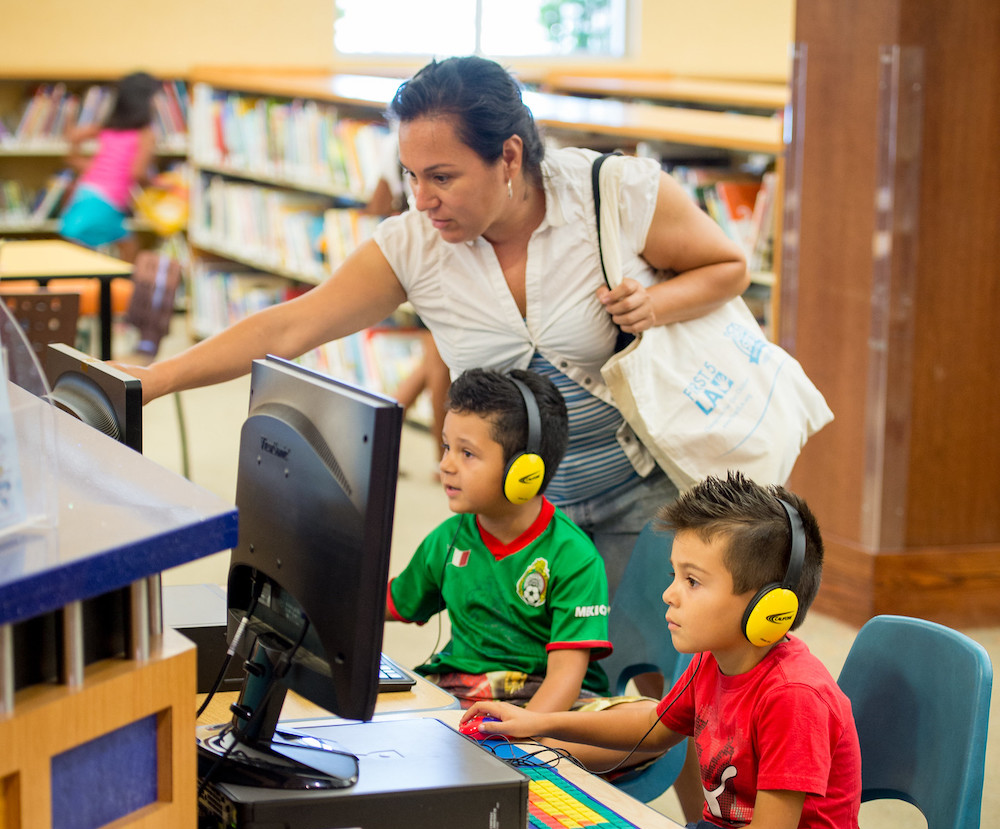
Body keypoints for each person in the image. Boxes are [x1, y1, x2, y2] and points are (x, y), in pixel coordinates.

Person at [117, 55, 749, 595]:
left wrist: (655, 306)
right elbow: (288, 328)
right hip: (519, 510)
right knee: (529, 691)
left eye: (443, 177)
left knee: (648, 696)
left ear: (508, 156)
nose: (422, 199)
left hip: (641, 489)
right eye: (411, 176)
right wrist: (159, 377)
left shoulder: (613, 194)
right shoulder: (414, 246)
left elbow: (729, 266)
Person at [461, 472, 863, 829]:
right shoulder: (712, 660)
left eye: (693, 581)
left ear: (770, 609)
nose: (669, 594)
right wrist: (541, 730)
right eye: (676, 575)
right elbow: (652, 728)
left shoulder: (793, 695)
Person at [387, 367, 615, 718]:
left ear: (524, 471)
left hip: (543, 697)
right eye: (447, 447)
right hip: (461, 691)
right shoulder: (448, 538)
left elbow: (565, 681)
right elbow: (393, 602)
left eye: (467, 454)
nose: (445, 464)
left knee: (629, 720)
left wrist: (517, 735)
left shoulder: (574, 556)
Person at [59, 71, 161, 261]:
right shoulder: (145, 133)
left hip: (85, 193)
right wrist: (158, 184)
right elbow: (137, 173)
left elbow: (71, 139)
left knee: (79, 253)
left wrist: (90, 165)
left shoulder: (109, 126)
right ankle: (123, 289)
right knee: (129, 252)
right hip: (109, 200)